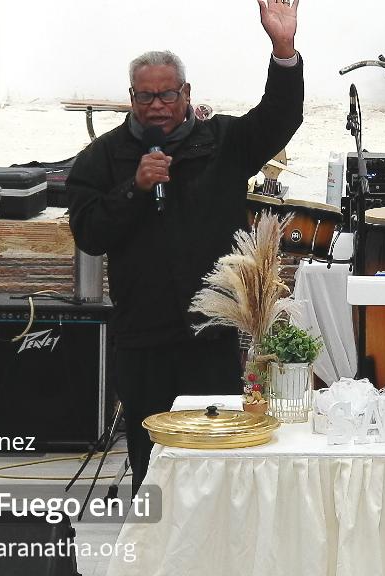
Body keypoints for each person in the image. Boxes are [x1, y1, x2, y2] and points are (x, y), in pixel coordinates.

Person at [67, 0, 303, 495]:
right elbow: (89, 233)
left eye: (167, 94)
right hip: (142, 337)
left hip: (209, 335)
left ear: (186, 93)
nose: (157, 105)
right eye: (146, 96)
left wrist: (283, 49)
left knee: (214, 462)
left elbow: (280, 116)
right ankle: (153, 539)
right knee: (152, 461)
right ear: (132, 98)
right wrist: (134, 187)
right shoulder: (103, 157)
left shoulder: (224, 143)